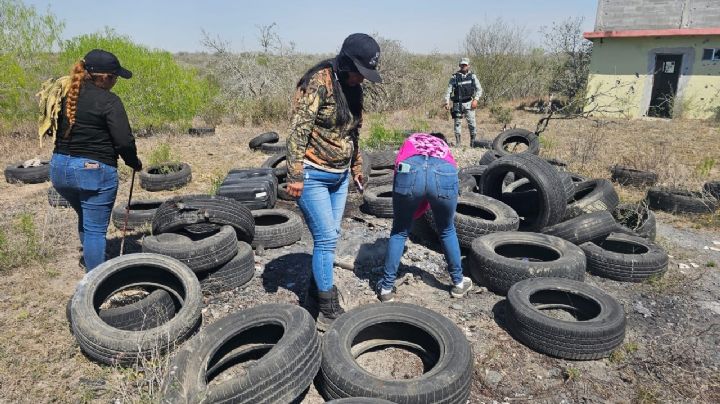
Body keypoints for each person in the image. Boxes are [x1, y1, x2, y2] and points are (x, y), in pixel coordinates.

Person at [285, 33, 381, 330]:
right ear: (345, 63)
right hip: (313, 174)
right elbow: (298, 130)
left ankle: (315, 293)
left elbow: (353, 133)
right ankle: (327, 308)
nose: (361, 80)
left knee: (332, 235)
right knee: (326, 239)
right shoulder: (319, 82)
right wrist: (295, 174)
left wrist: (357, 166)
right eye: (359, 73)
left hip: (339, 177)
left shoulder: (353, 89)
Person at [50, 49, 142, 271]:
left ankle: (92, 260)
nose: (115, 82)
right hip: (93, 171)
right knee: (95, 230)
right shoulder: (109, 101)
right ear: (103, 77)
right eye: (114, 77)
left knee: (85, 215)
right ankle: (96, 282)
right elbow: (124, 141)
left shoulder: (65, 94)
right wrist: (133, 162)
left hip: (59, 169)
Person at [377, 132, 472, 302]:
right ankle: (458, 283)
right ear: (440, 139)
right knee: (447, 229)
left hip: (409, 168)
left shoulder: (412, 139)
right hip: (445, 170)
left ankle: (386, 288)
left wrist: (410, 210)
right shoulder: (443, 146)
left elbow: (398, 168)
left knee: (399, 231)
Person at [443, 57, 483, 147]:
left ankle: (473, 144)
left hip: (469, 103)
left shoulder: (472, 76)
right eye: (462, 65)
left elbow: (479, 89)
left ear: (468, 65)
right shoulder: (454, 77)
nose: (463, 66)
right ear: (459, 65)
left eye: (465, 65)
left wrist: (476, 100)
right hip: (457, 104)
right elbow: (448, 90)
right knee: (457, 124)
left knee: (472, 124)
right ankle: (458, 144)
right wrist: (447, 102)